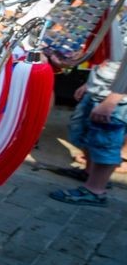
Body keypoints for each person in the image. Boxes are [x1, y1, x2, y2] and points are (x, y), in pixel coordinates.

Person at [50, 55, 127, 207]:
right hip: (101, 87)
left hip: (115, 98)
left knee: (105, 144)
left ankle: (95, 190)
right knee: (86, 133)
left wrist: (112, 100)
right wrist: (90, 83)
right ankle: (89, 173)